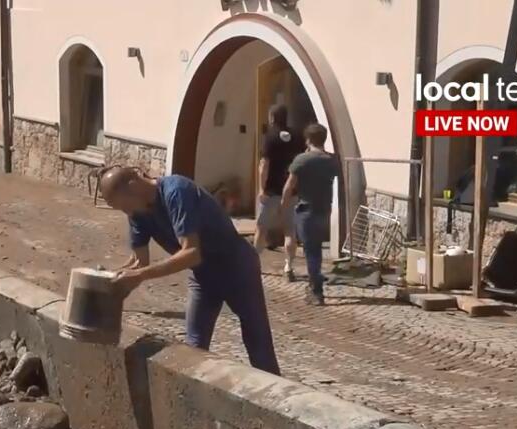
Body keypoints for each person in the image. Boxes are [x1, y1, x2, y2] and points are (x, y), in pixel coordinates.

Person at [100, 167, 281, 375]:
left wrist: (140, 275)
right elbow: (139, 262)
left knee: (257, 341)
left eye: (123, 205)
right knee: (194, 346)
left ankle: (278, 399)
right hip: (203, 275)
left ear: (133, 186)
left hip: (237, 269)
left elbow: (191, 253)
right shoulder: (138, 212)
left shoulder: (176, 191)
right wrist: (109, 285)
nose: (125, 212)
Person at [281, 123, 341, 306]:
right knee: (316, 249)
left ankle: (316, 291)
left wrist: (283, 206)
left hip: (306, 211)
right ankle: (314, 286)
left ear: (308, 140)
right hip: (324, 210)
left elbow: (289, 185)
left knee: (311, 252)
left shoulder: (302, 160)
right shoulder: (331, 161)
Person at [256, 104, 303, 269]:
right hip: (290, 191)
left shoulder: (270, 136)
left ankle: (255, 264)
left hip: (271, 191)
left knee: (261, 229)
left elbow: (264, 164)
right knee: (290, 230)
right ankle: (288, 266)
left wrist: (261, 189)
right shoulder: (297, 136)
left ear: (271, 118)